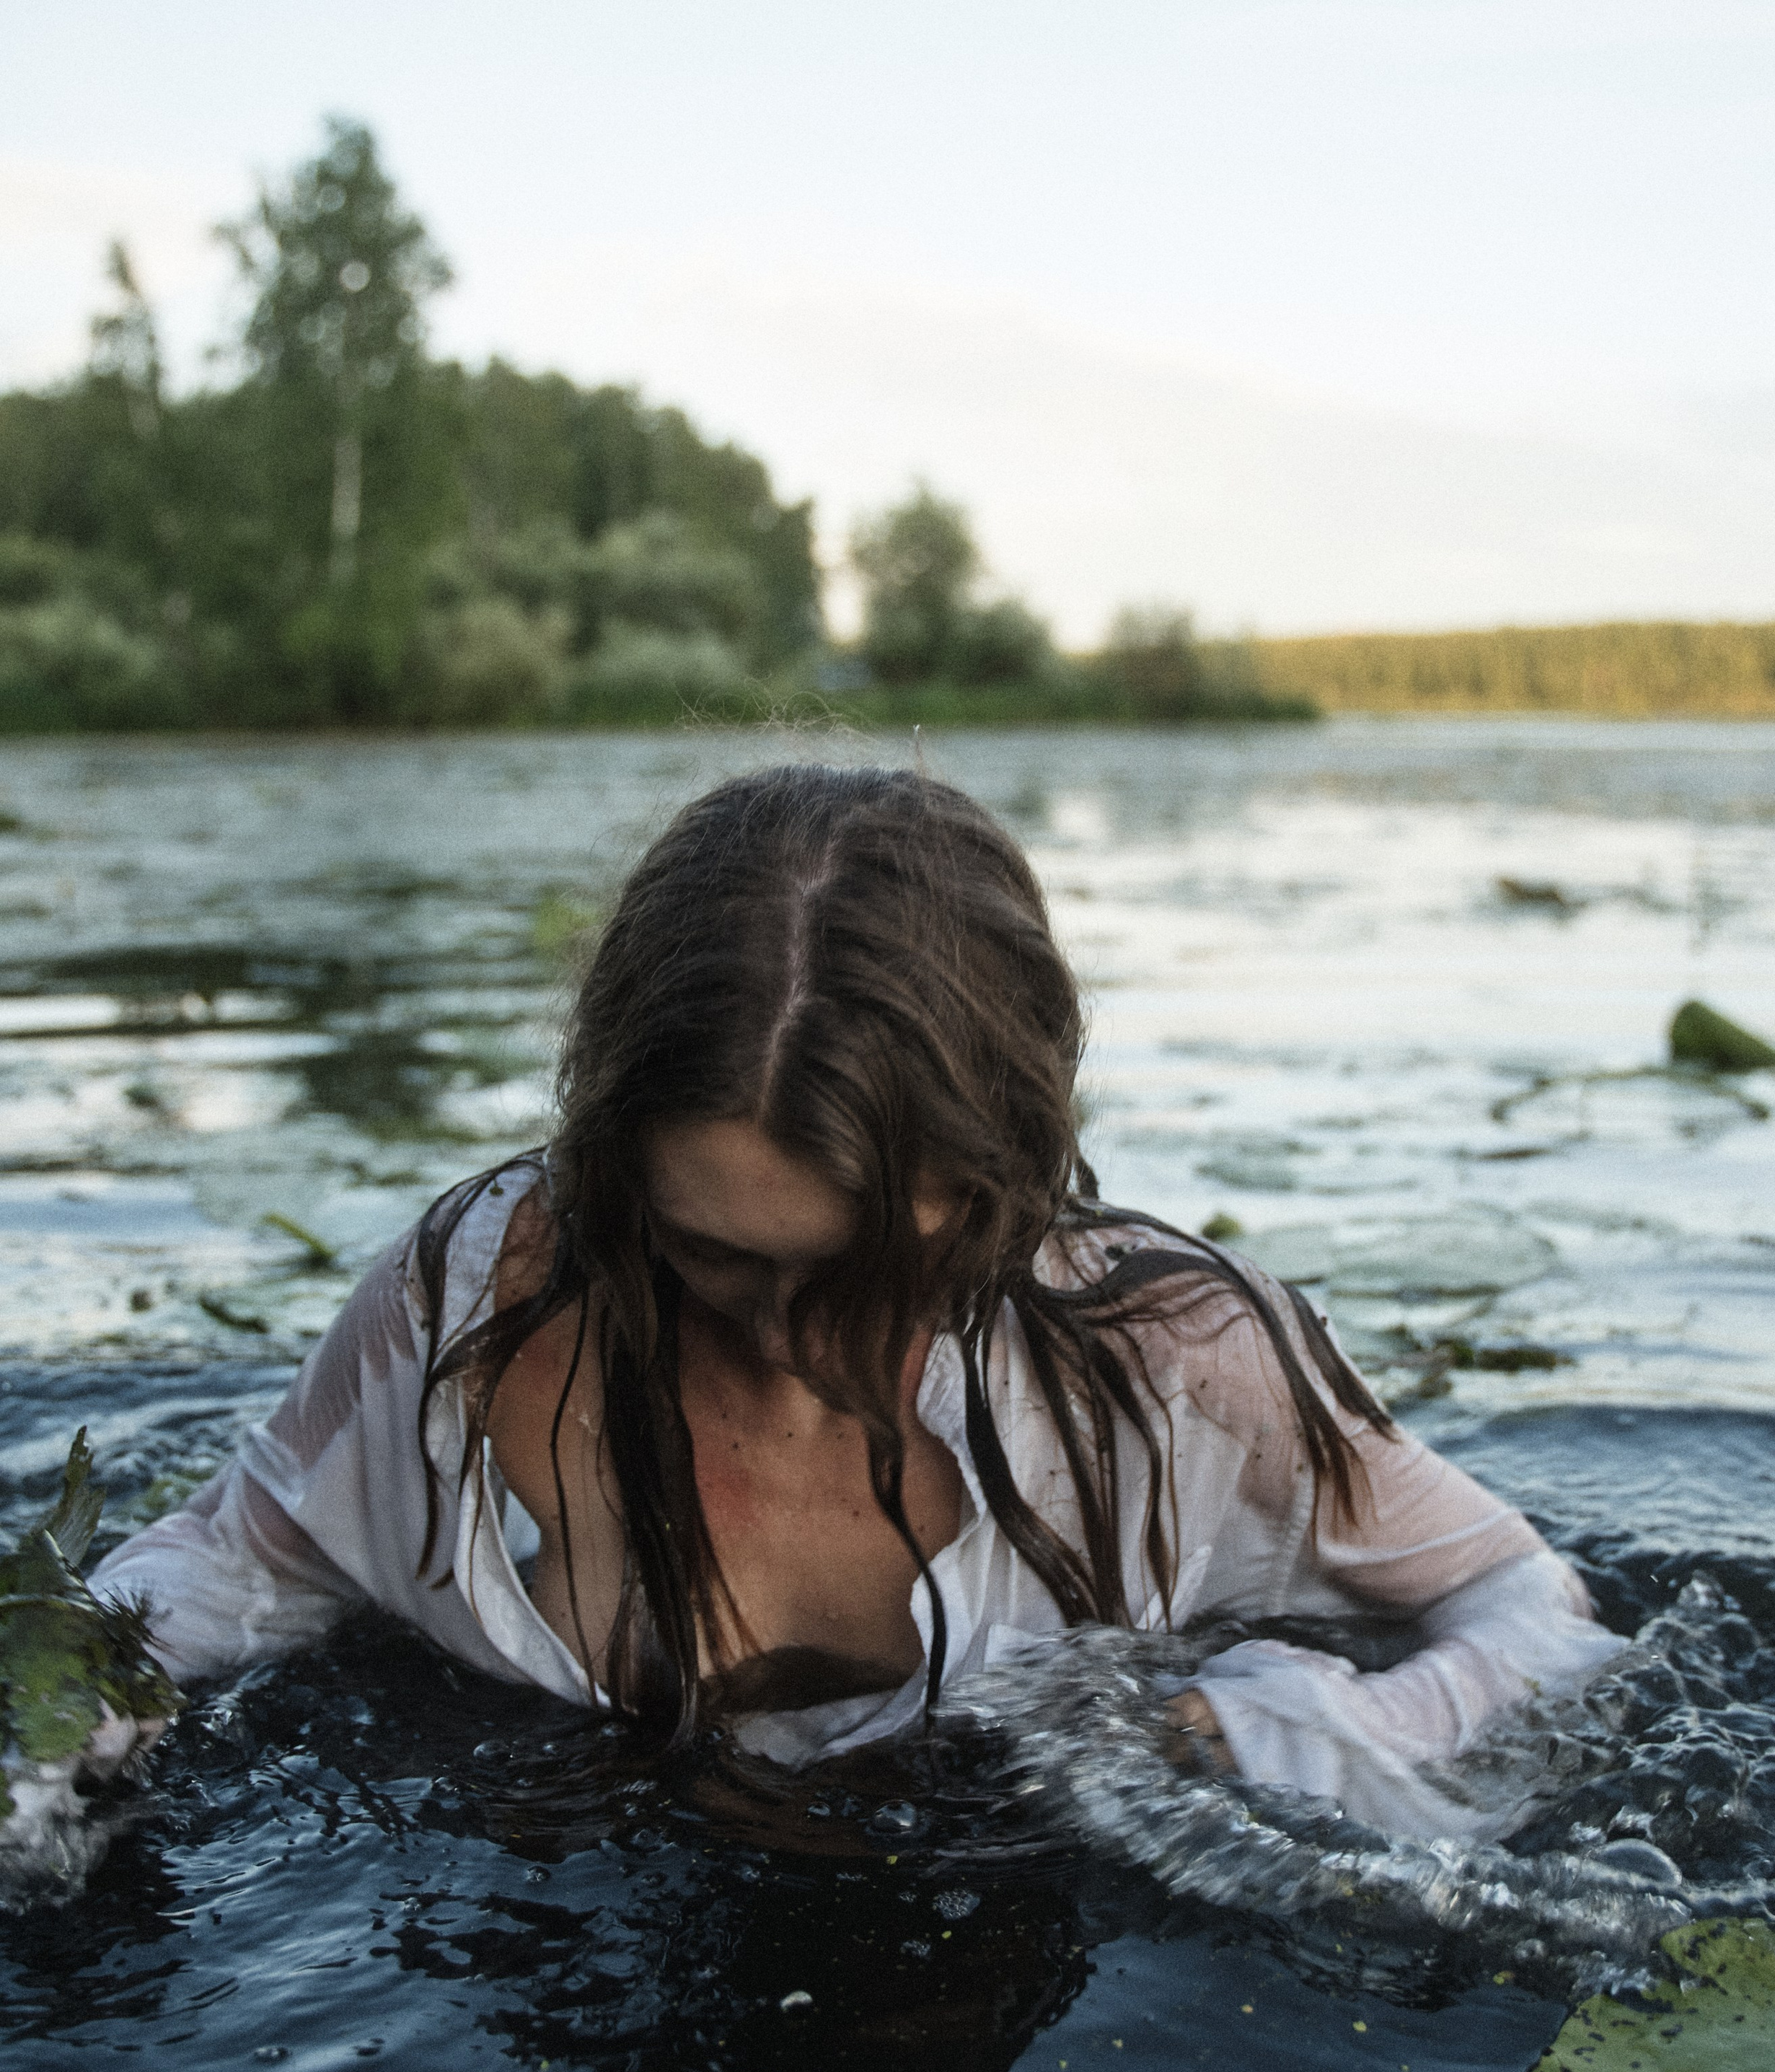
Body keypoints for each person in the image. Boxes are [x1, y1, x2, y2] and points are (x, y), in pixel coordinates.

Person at [82, 764, 1616, 1836]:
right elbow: (234, 1558)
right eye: (711, 1255)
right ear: (617, 1164)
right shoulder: (477, 1297)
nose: (781, 1332)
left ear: (1004, 1178)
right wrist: (65, 1705)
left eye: (873, 1270)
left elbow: (1530, 1614)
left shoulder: (1175, 1363)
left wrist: (1278, 1734)